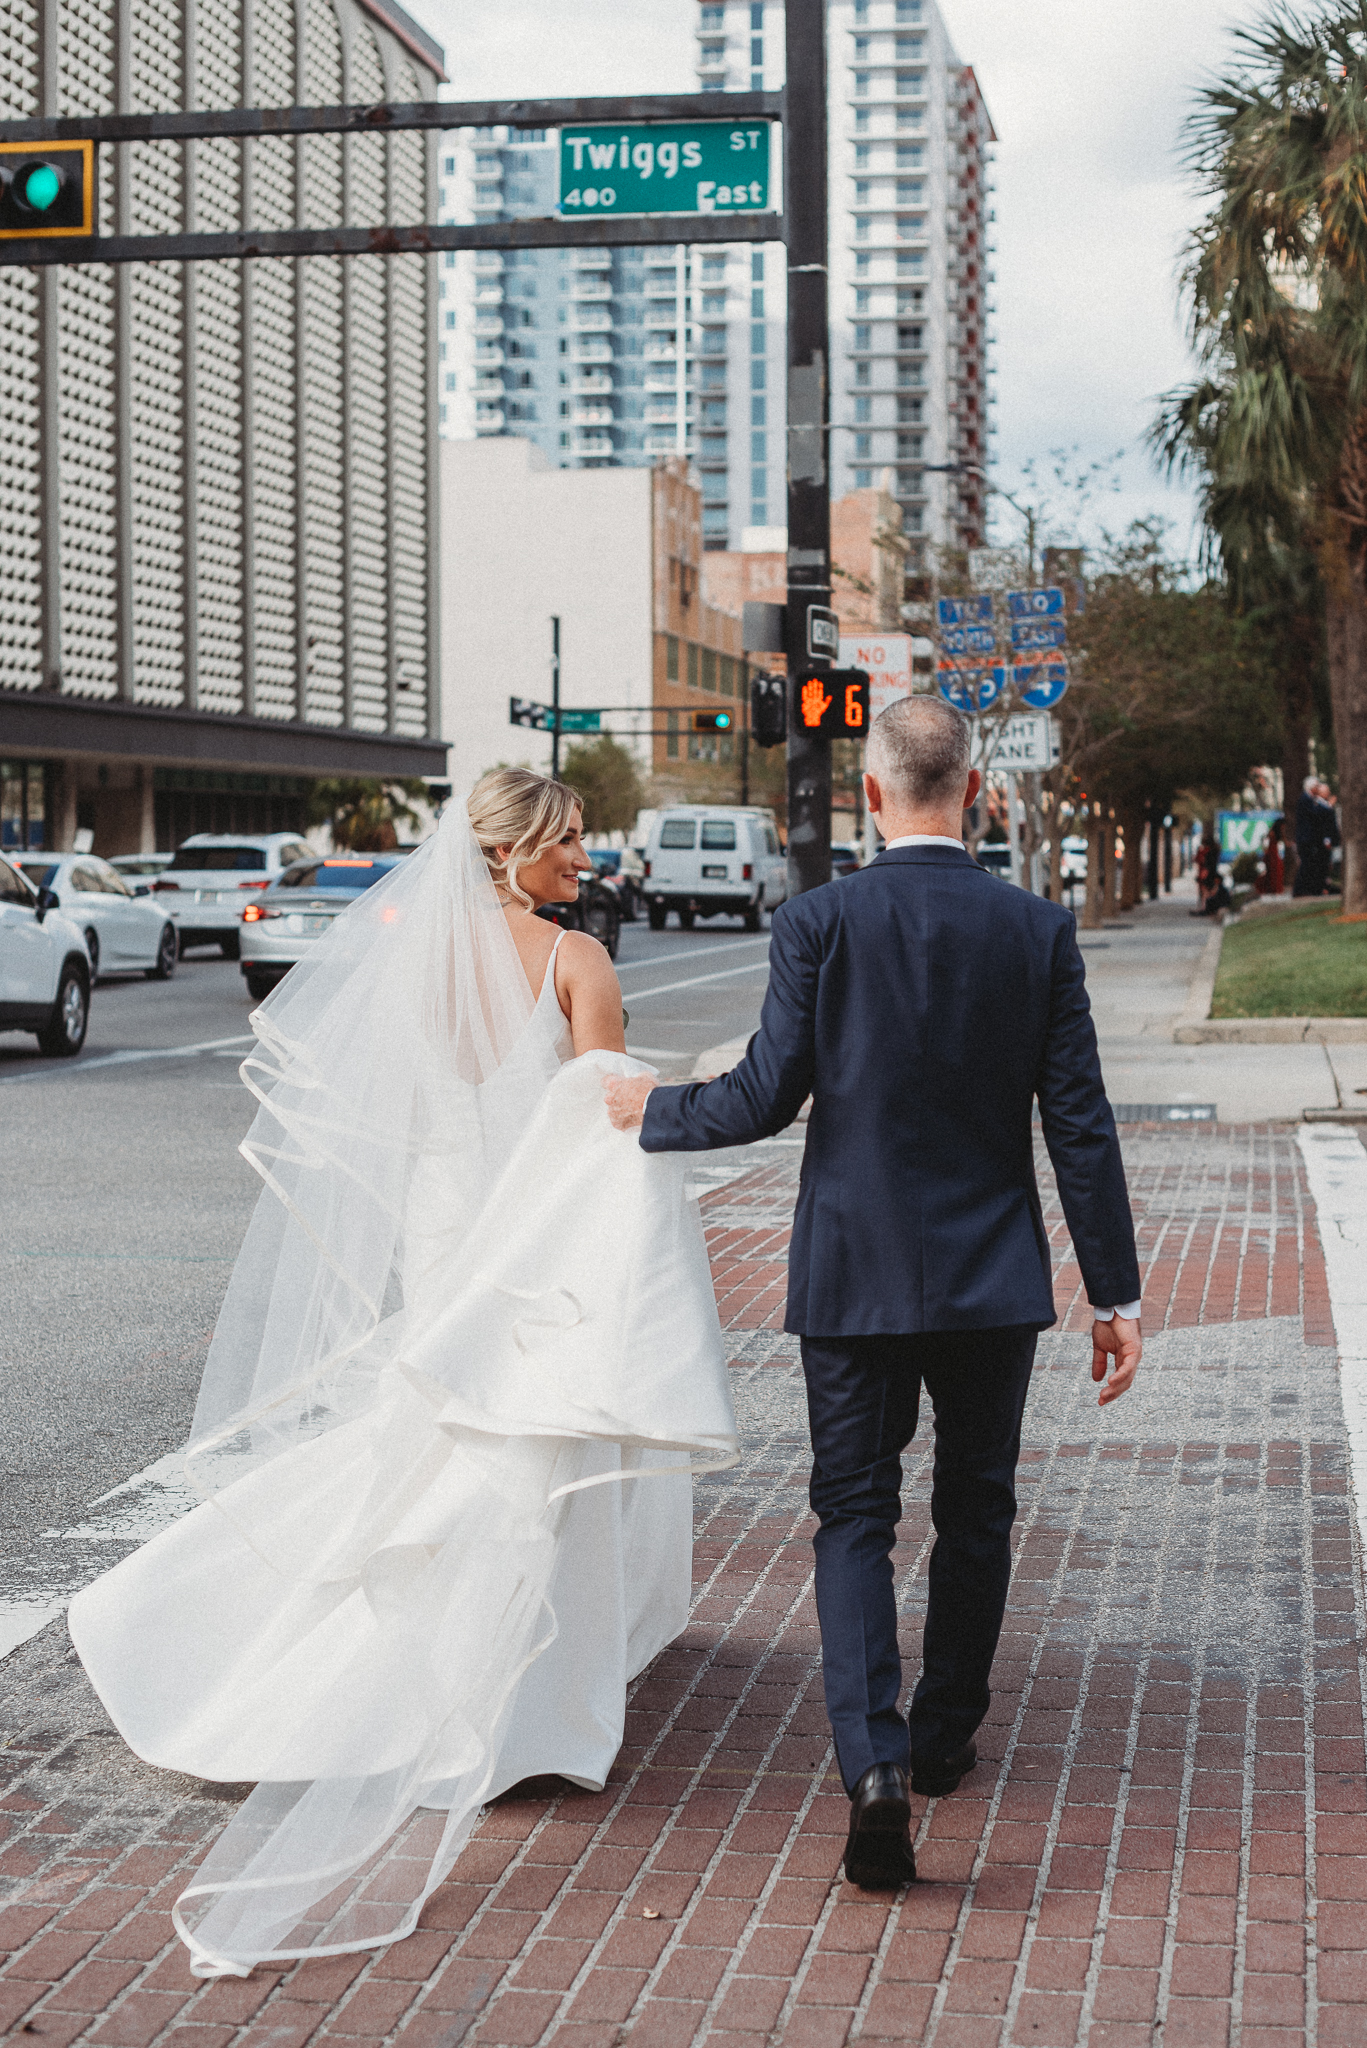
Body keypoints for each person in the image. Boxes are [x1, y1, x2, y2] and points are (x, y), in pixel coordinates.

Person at [68, 771, 737, 1978]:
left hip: (441, 1234)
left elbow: (395, 1104)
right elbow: (610, 1126)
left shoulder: (412, 962)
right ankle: (526, 1713)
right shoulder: (576, 960)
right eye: (565, 840)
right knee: (535, 1442)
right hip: (529, 1240)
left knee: (438, 1438)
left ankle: (350, 1650)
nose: (584, 858)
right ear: (511, 850)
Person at [605, 697, 1142, 1892]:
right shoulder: (1036, 930)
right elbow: (1079, 1124)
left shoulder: (817, 921)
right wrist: (1115, 1292)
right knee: (976, 1506)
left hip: (851, 1271)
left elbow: (760, 1095)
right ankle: (943, 1733)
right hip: (991, 1277)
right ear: (974, 793)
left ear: (869, 793)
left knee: (851, 1512)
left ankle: (874, 1766)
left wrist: (649, 1109)